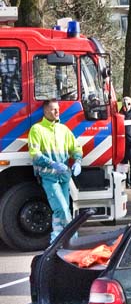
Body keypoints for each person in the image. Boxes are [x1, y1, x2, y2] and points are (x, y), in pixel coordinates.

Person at [28, 99, 82, 242]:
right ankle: (71, 240)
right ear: (45, 112)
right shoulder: (37, 129)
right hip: (49, 177)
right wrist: (52, 163)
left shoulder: (63, 130)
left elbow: (75, 148)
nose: (57, 111)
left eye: (58, 109)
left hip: (64, 177)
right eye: (53, 109)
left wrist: (78, 161)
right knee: (63, 209)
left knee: (60, 211)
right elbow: (34, 153)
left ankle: (57, 241)